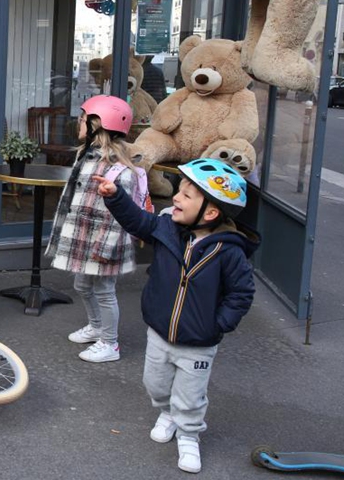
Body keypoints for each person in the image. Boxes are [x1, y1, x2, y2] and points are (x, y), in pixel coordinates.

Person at [95, 158, 260, 474]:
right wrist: (115, 196)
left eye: (186, 196)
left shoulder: (229, 251)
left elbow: (241, 294)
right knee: (155, 384)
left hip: (199, 343)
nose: (175, 199)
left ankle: (188, 436)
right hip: (159, 333)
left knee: (190, 395)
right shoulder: (168, 228)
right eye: (178, 192)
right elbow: (138, 221)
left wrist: (218, 325)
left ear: (209, 213)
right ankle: (167, 412)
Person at [45, 95, 138, 363]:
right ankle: (97, 326)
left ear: (99, 125)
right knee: (82, 284)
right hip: (85, 238)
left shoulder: (119, 170)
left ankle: (110, 344)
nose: (79, 123)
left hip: (102, 243)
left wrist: (103, 249)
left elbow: (119, 217)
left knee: (104, 291)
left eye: (83, 119)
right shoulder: (86, 157)